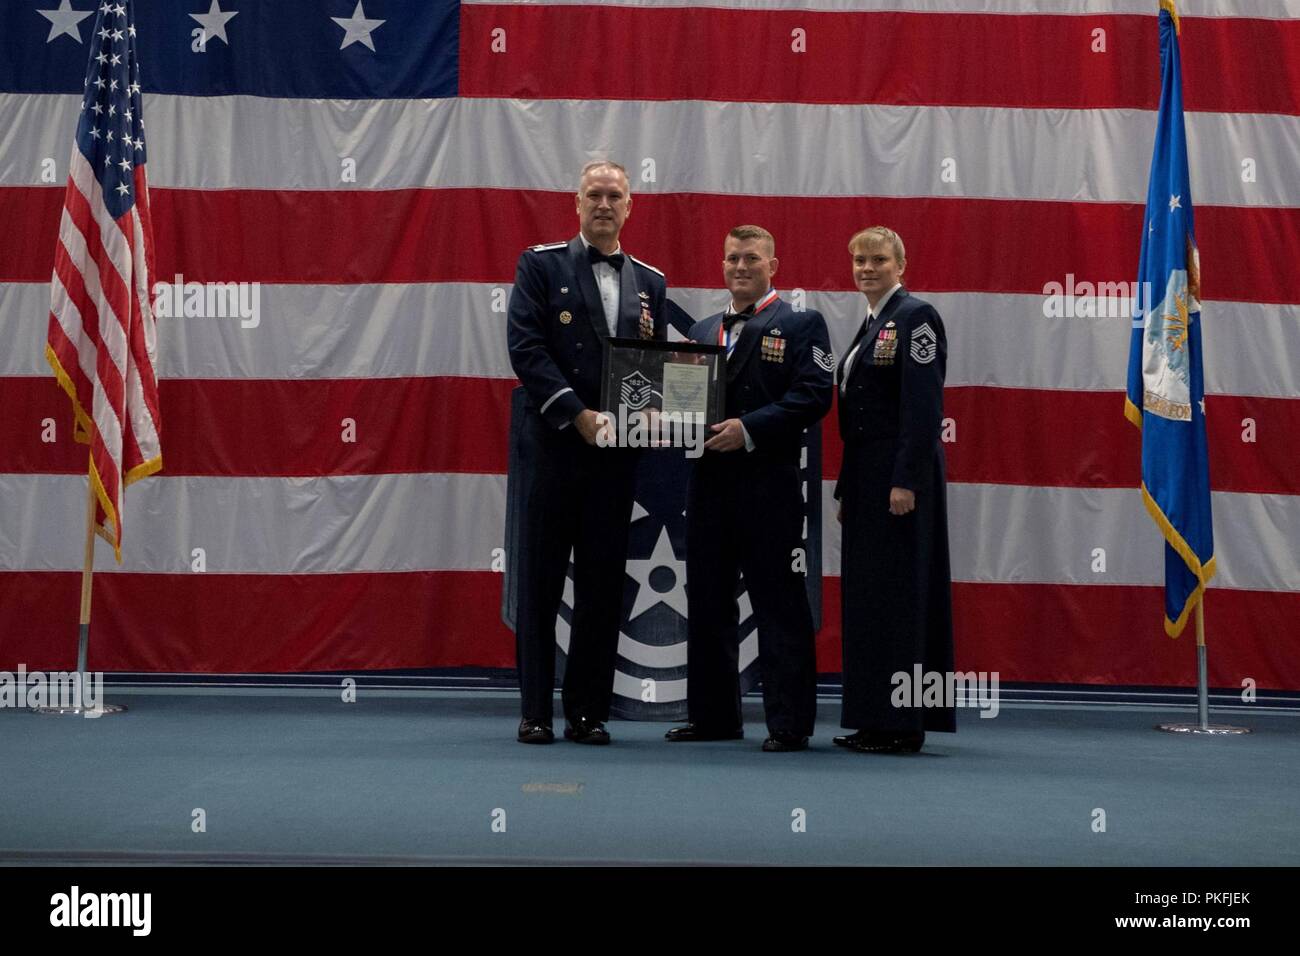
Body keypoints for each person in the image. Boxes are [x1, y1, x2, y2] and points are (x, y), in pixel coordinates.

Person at [506, 161, 667, 745]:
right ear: (576, 204)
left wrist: (649, 407)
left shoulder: (651, 280)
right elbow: (526, 348)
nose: (604, 204)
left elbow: (649, 363)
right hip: (554, 448)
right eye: (594, 195)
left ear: (630, 207)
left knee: (601, 586)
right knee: (542, 583)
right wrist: (577, 414)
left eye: (615, 196)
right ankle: (534, 712)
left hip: (615, 457)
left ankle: (586, 712)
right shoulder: (540, 264)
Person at [665, 226, 834, 752]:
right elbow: (684, 404)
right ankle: (714, 717)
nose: (741, 266)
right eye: (733, 258)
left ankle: (789, 723)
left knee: (779, 606)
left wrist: (750, 429)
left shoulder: (803, 323)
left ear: (773, 264)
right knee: (709, 604)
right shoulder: (702, 328)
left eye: (752, 258)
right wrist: (661, 415)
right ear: (723, 264)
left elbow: (814, 396)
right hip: (708, 486)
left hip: (770, 489)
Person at [832, 226, 955, 754]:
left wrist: (906, 480)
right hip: (866, 475)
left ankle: (902, 724)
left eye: (878, 260)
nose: (866, 268)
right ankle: (872, 717)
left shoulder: (916, 319)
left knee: (899, 598)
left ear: (900, 265)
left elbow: (922, 409)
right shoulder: (870, 324)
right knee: (867, 598)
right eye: (858, 259)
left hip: (901, 476)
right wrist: (847, 487)